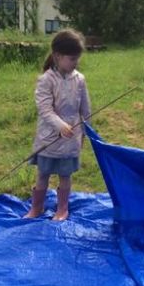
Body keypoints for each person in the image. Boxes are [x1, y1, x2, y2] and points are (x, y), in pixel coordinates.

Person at [24, 29, 91, 221]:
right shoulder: (46, 80)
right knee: (42, 174)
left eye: (77, 59)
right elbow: (45, 110)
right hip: (49, 139)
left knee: (65, 175)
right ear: (57, 56)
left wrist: (86, 130)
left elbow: (85, 108)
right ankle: (36, 208)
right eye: (72, 59)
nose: (75, 63)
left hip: (70, 140)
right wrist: (60, 126)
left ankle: (62, 209)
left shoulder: (80, 79)